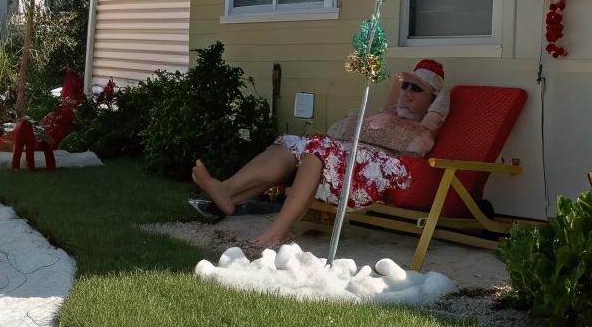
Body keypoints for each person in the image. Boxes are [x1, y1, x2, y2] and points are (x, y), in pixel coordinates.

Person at [192, 59, 450, 250]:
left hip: (374, 170)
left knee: (317, 150)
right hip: (347, 155)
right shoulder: (387, 115)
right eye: (405, 86)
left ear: (433, 100)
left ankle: (278, 232)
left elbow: (421, 140)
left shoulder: (423, 130)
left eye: (417, 89)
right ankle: (228, 192)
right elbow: (340, 131)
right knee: (291, 143)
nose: (406, 92)